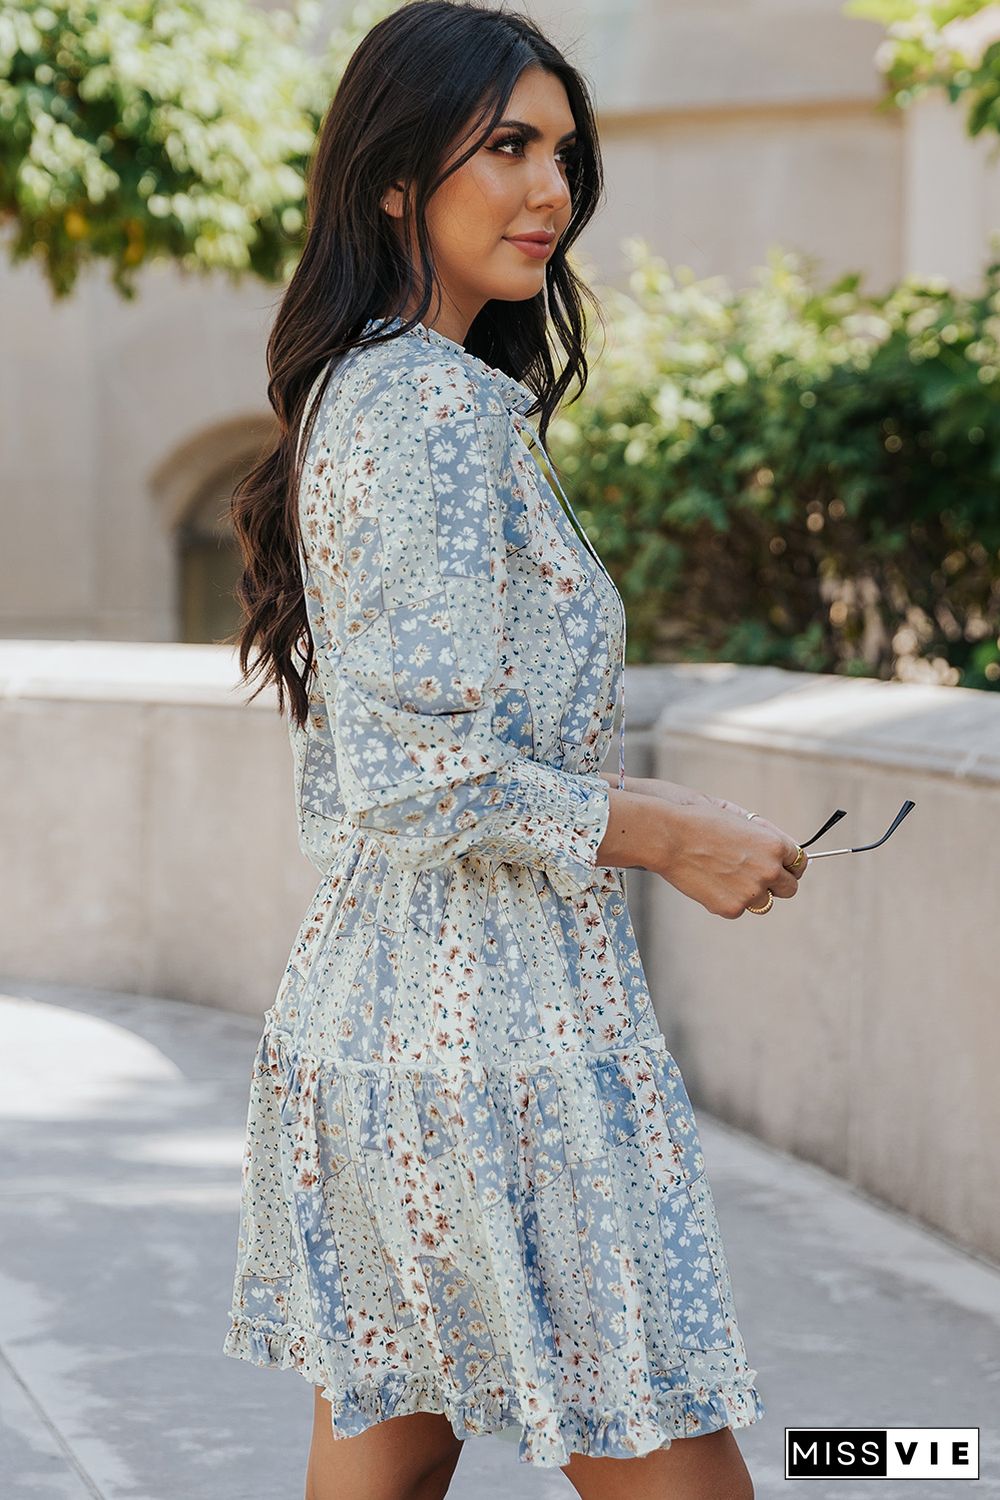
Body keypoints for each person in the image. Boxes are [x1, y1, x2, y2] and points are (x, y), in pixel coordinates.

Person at [223, 3, 809, 1497]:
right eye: (507, 147)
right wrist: (672, 830)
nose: (554, 189)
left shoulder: (390, 391)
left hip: (395, 1023)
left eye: (563, 150)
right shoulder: (418, 407)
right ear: (397, 181)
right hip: (491, 1050)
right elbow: (414, 771)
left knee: (381, 1472)